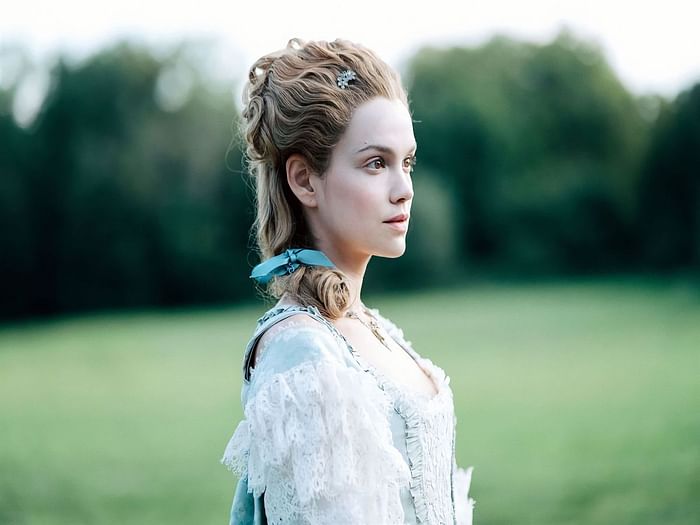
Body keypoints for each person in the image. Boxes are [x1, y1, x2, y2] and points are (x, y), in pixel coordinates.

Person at [221, 37, 475, 525]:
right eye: (376, 163)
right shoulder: (303, 352)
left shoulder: (369, 327)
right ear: (304, 180)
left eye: (407, 162)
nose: (404, 189)